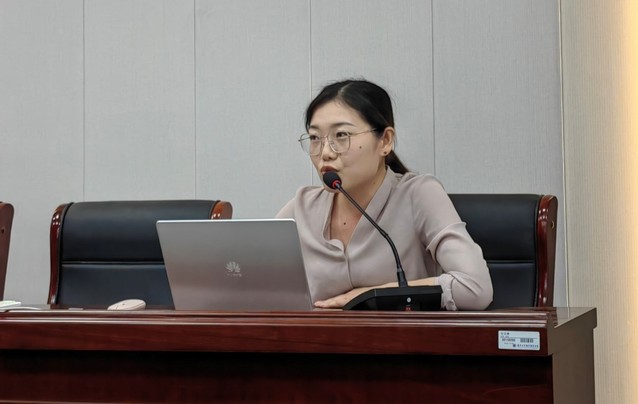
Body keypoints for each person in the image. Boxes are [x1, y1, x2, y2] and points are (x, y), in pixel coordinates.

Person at [277, 79, 492, 310]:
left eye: (341, 135)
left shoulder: (418, 195)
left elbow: (475, 288)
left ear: (385, 141)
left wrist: (374, 295)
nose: (325, 153)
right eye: (315, 138)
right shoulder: (301, 208)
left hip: (400, 334)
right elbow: (254, 285)